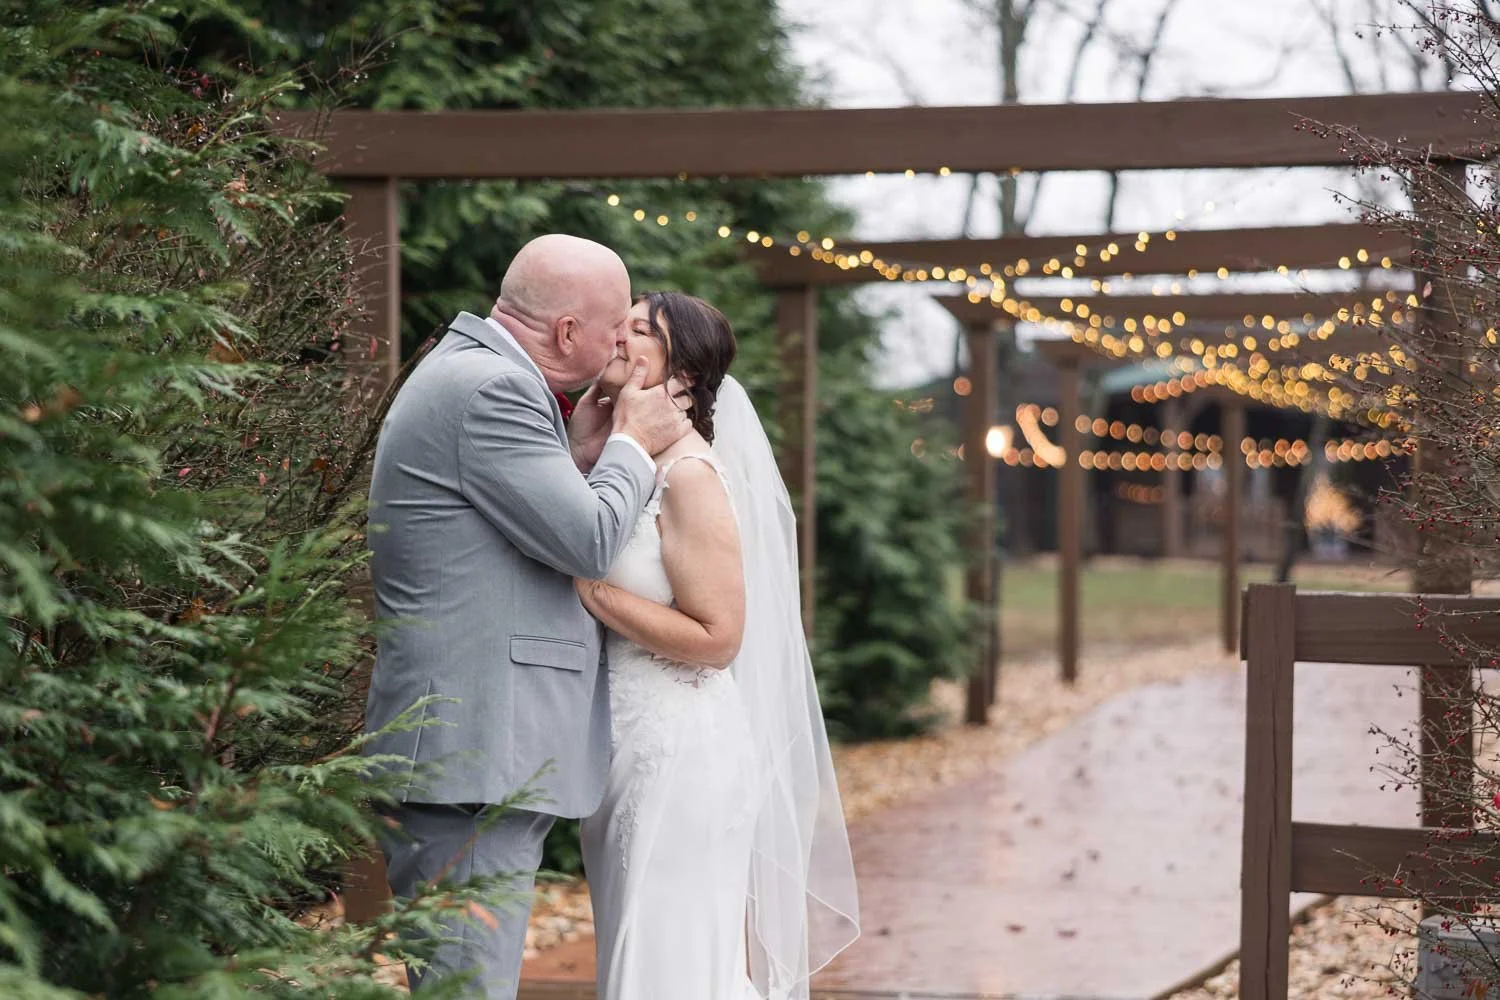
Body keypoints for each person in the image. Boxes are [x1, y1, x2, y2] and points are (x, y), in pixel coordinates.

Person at [362, 234, 692, 998]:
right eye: (615, 327)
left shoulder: (481, 376)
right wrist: (636, 445)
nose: (622, 344)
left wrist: (582, 451)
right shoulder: (491, 389)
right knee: (470, 986)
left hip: (473, 752)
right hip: (474, 753)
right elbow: (587, 537)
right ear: (568, 332)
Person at [574, 291, 859, 1000]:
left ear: (685, 376)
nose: (619, 335)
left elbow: (719, 637)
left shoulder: (691, 478)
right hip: (625, 743)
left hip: (679, 751)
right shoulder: (630, 463)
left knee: (669, 958)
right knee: (635, 944)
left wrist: (592, 592)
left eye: (640, 330)